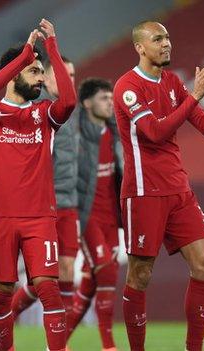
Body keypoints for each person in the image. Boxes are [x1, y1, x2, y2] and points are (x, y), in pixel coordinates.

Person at [112, 21, 204, 351]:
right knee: (140, 276)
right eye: (158, 38)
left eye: (167, 37)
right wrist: (193, 96)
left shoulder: (173, 81)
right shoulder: (128, 87)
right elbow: (154, 133)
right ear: (139, 47)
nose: (166, 43)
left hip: (179, 190)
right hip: (144, 193)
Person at [0, 19, 76, 351]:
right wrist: (26, 53)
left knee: (48, 286)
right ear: (14, 74)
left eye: (41, 72)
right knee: (1, 292)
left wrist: (51, 47)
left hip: (39, 215)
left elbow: (69, 101)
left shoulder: (44, 114)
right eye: (34, 72)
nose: (42, 78)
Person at [11, 55, 80, 317]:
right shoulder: (38, 113)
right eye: (64, 74)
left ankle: (61, 341)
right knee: (45, 278)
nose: (69, 80)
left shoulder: (73, 115)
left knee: (66, 272)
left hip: (70, 204)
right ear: (47, 78)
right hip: (45, 206)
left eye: (73, 75)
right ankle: (10, 312)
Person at [64, 78, 123, 351]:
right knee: (107, 270)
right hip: (86, 218)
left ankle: (57, 343)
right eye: (103, 98)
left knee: (88, 288)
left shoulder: (115, 132)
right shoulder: (75, 136)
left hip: (112, 218)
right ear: (87, 103)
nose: (110, 102)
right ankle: (108, 345)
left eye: (111, 98)